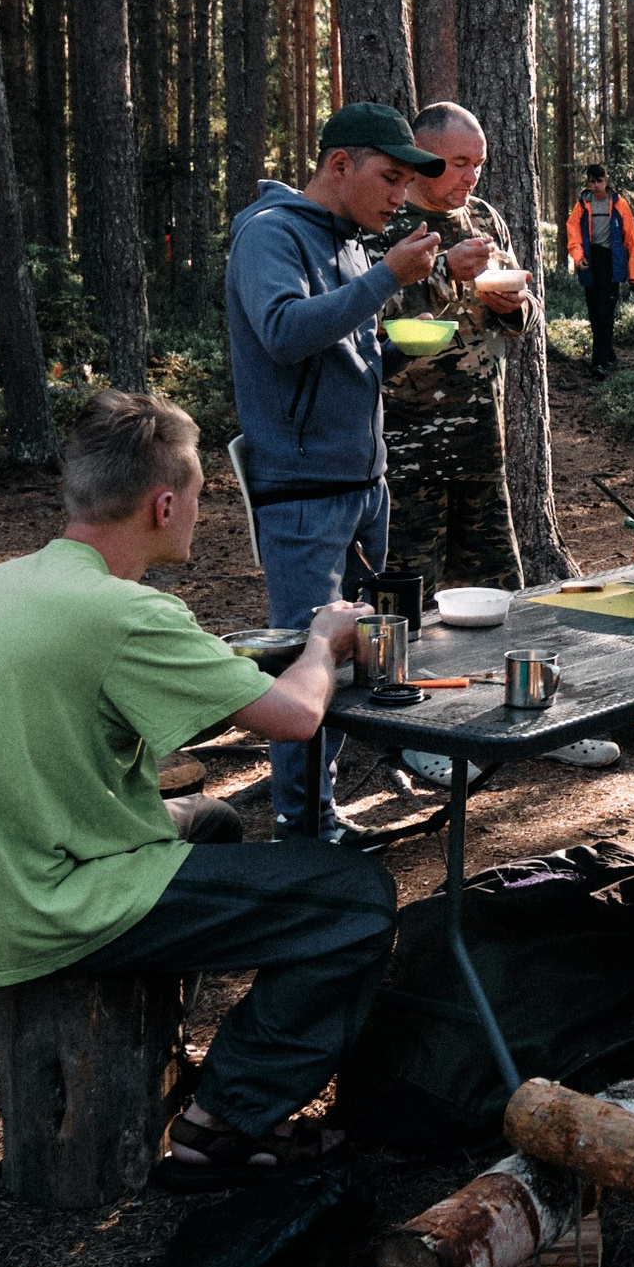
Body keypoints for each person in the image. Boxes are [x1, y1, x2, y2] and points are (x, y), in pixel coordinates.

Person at [0, 392, 394, 1191]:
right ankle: (226, 1124)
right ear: (165, 504)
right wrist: (323, 643)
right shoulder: (126, 613)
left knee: (216, 822)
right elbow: (298, 718)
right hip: (43, 904)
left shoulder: (5, 582)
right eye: (199, 498)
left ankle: (178, 1057)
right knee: (356, 897)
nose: (200, 515)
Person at [227, 101, 448, 835]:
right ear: (338, 164)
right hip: (302, 494)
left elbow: (342, 354)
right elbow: (285, 333)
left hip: (363, 489)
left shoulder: (353, 244)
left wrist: (400, 350)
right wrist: (387, 278)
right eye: (389, 178)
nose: (398, 197)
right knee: (305, 657)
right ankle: (301, 825)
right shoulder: (269, 237)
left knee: (355, 661)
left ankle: (320, 809)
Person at [366, 102, 530, 603]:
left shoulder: (483, 218)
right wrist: (444, 275)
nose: (472, 176)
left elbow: (526, 310)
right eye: (460, 163)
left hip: (481, 447)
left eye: (478, 163)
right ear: (422, 156)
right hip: (407, 456)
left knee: (499, 602)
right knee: (406, 609)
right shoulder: (385, 222)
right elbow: (367, 314)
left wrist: (514, 306)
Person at [566, 163, 634, 375]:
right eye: (592, 181)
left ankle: (598, 363)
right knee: (594, 313)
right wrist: (579, 258)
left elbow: (631, 240)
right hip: (591, 263)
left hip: (612, 263)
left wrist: (633, 274)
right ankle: (607, 355)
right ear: (588, 183)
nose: (596, 185)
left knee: (606, 313)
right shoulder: (582, 205)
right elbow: (574, 235)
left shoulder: (619, 205)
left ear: (606, 180)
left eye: (599, 181)